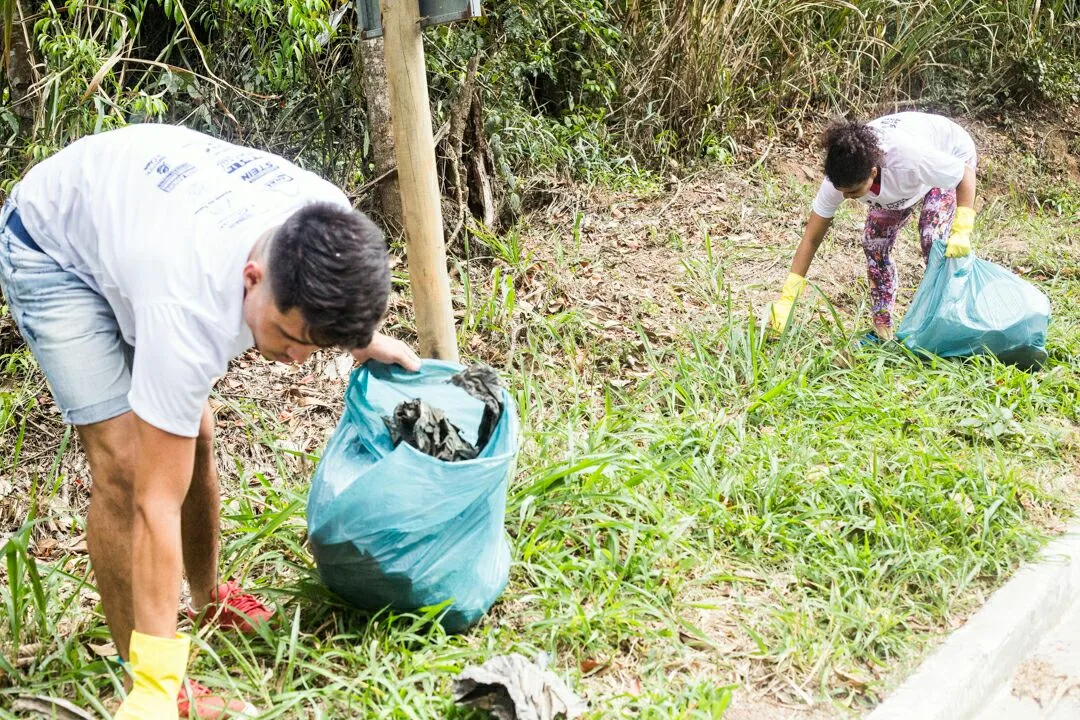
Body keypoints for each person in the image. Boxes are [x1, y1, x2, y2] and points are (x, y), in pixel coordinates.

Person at [0, 123, 421, 718]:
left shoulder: (325, 220)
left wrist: (356, 338)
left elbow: (315, 303)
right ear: (253, 279)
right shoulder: (188, 306)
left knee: (195, 432)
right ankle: (147, 681)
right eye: (293, 338)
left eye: (314, 345)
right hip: (53, 248)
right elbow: (156, 504)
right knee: (126, 465)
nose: (298, 360)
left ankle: (208, 599)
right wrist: (156, 682)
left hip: (141, 214)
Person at [768, 111, 979, 339]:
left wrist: (962, 229)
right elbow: (811, 238)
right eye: (843, 192)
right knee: (874, 244)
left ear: (873, 172)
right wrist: (787, 298)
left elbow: (964, 175)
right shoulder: (839, 179)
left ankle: (945, 325)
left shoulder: (909, 158)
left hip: (950, 156)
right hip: (904, 181)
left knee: (932, 238)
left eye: (854, 192)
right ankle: (882, 331)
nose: (848, 198)